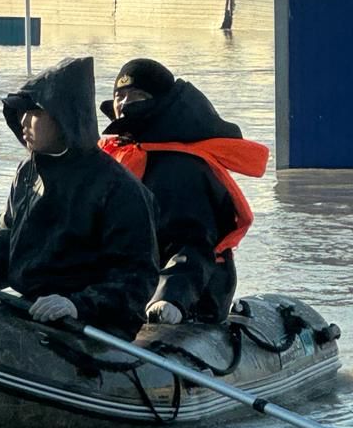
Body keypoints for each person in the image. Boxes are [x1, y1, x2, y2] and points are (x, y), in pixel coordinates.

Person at [0, 56, 158, 338]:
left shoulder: (119, 188)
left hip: (93, 324)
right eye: (22, 111)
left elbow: (136, 277)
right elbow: (3, 240)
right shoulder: (29, 171)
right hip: (29, 307)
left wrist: (76, 305)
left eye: (35, 112)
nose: (24, 121)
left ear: (65, 118)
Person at [99, 58, 269, 326]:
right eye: (119, 95)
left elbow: (192, 242)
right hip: (128, 285)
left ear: (162, 103)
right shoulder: (113, 157)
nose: (125, 103)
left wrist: (171, 297)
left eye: (138, 95)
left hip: (194, 294)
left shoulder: (182, 167)